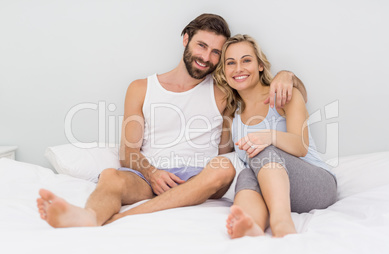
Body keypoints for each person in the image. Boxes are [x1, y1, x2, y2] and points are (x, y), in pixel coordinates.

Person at [36, 14, 307, 228]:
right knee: (109, 176)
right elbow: (128, 152)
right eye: (202, 45)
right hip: (149, 177)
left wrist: (288, 75)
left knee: (224, 168)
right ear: (185, 39)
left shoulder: (224, 91)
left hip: (203, 179)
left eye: (216, 52)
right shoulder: (141, 88)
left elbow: (283, 96)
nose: (206, 57)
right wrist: (153, 174)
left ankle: (130, 215)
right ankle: (89, 217)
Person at [214, 34, 337, 238]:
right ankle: (250, 225)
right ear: (224, 71)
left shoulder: (283, 95)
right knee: (246, 173)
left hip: (317, 184)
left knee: (265, 151)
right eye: (231, 63)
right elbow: (224, 158)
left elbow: (300, 146)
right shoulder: (232, 114)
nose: (238, 69)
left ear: (260, 65)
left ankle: (282, 222)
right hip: (273, 187)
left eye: (246, 60)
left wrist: (269, 136)